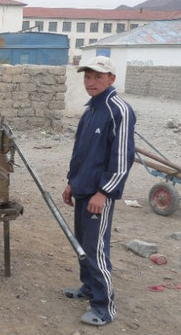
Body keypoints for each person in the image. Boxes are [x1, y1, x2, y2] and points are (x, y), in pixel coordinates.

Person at [62, 56, 136, 326]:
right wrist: (72, 181)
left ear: (111, 79)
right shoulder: (91, 109)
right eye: (87, 77)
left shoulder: (119, 110)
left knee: (95, 249)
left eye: (98, 77)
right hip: (82, 189)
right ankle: (89, 287)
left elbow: (122, 157)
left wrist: (104, 192)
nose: (91, 82)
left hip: (97, 196)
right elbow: (80, 152)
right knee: (82, 244)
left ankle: (104, 307)